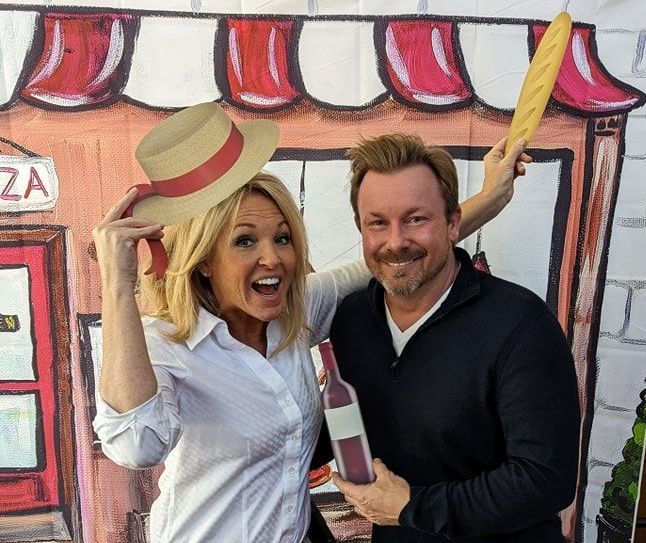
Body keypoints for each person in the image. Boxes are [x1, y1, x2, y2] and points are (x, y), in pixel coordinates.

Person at [92, 102, 531, 543]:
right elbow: (136, 446)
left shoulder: (293, 314)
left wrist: (490, 198)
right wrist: (117, 286)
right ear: (204, 260)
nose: (273, 258)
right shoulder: (164, 343)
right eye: (245, 241)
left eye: (282, 238)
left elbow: (392, 259)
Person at [329, 134, 580, 543]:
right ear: (361, 228)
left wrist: (414, 508)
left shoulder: (520, 325)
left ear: (452, 222)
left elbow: (545, 479)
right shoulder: (352, 319)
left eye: (416, 219)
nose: (395, 242)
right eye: (378, 222)